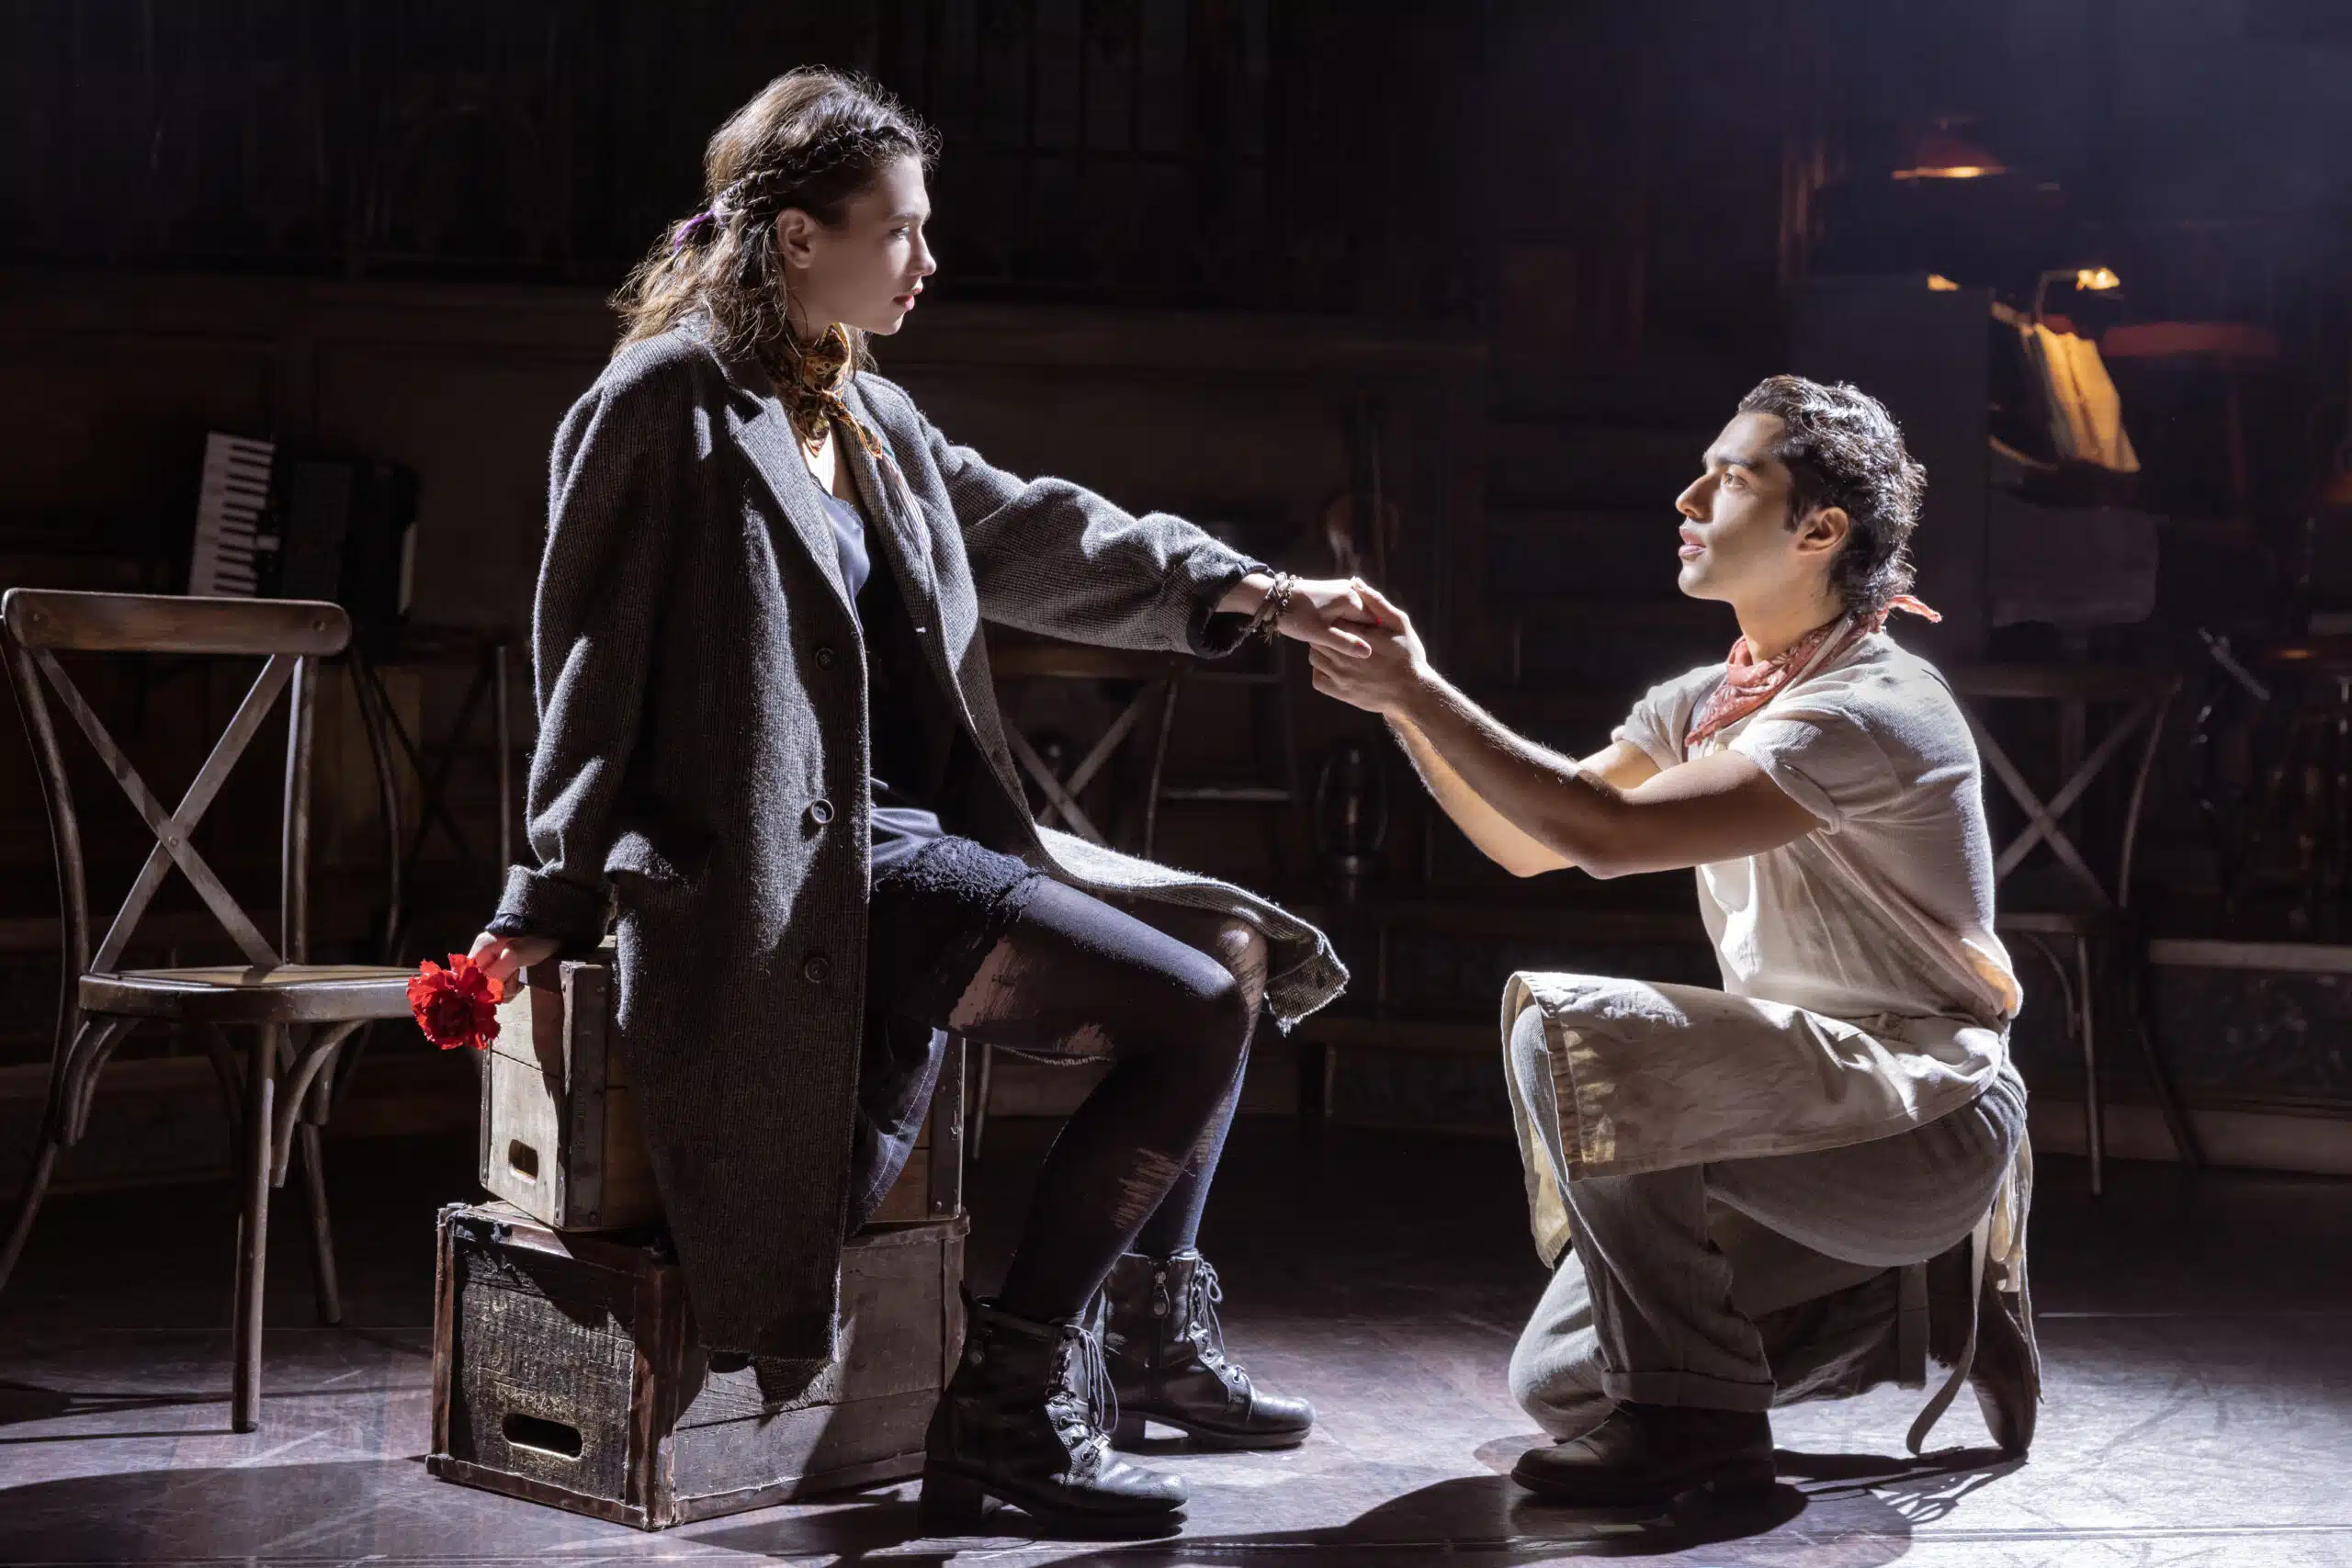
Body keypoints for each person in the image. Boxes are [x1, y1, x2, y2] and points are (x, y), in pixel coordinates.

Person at [465, 68, 1363, 1530]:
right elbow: (584, 676)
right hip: (784, 883)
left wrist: (1250, 591)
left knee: (1236, 961)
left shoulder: (860, 406)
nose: (929, 263)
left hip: (918, 847)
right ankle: (1010, 1404)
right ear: (797, 236)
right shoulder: (663, 406)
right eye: (901, 230)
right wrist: (541, 903)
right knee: (1190, 1006)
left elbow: (1025, 524)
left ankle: (1141, 1348)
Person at [1308, 376, 2039, 1506]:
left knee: (1571, 1031)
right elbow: (1521, 842)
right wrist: (1400, 703)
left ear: (1819, 530)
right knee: (1558, 1381)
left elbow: (1601, 836)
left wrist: (1421, 686)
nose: (1688, 495)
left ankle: (1705, 1439)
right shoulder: (1709, 697)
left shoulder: (1868, 705)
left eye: (1732, 477)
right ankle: (1892, 1310)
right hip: (1800, 1113)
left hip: (1922, 1117)